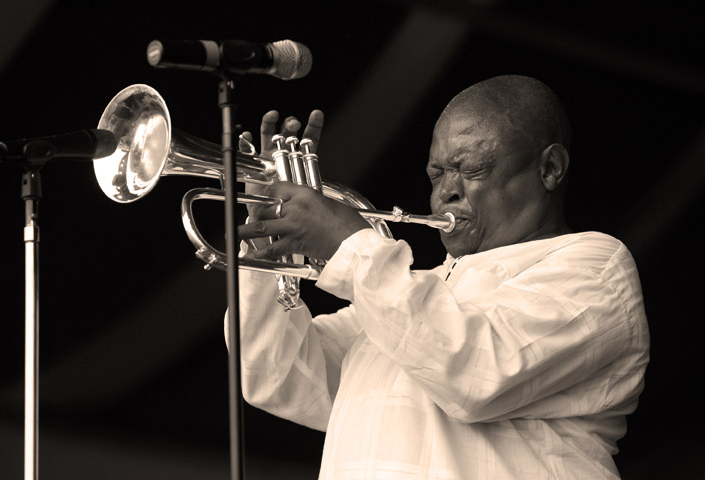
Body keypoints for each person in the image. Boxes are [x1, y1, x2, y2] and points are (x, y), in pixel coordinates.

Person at [228, 75, 649, 479]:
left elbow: (475, 374)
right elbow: (274, 375)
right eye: (436, 174)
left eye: (471, 169)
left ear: (550, 168)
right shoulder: (408, 296)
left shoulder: (594, 266)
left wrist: (347, 242)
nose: (444, 192)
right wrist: (269, 248)